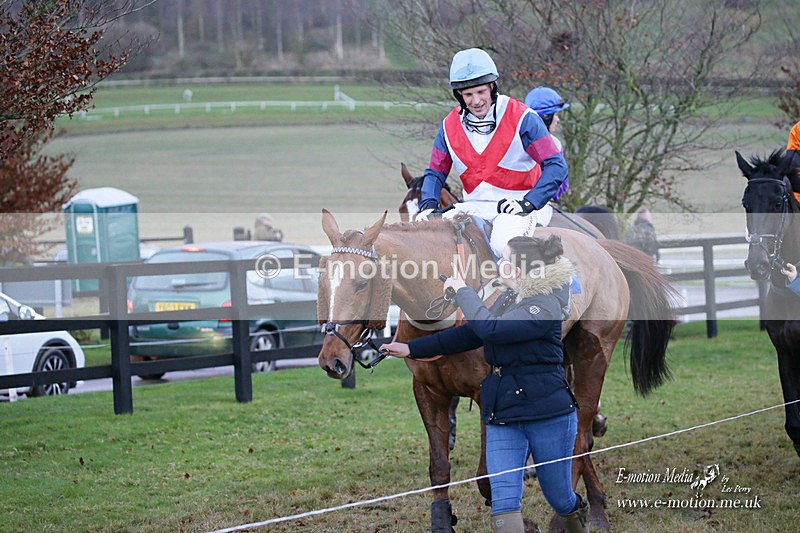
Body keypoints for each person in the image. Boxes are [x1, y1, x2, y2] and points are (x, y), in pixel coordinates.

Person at [381, 235, 588, 533]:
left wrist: (464, 292)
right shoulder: (506, 298)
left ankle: (575, 519)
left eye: (504, 260)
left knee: (560, 497)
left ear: (519, 269)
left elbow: (491, 329)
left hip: (549, 415)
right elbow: (469, 335)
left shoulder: (545, 304)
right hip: (503, 412)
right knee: (503, 506)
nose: (498, 265)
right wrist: (412, 349)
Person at [415, 48, 568, 257]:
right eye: (468, 94)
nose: (476, 101)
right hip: (472, 207)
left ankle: (547, 286)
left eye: (481, 92)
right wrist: (428, 205)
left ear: (492, 87)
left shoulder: (524, 118)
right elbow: (435, 173)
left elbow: (556, 166)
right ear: (459, 95)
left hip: (517, 206)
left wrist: (529, 202)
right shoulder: (448, 125)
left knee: (502, 245)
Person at [524, 86, 570, 202]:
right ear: (546, 116)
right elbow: (559, 189)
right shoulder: (554, 144)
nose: (557, 119)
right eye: (555, 115)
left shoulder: (510, 137)